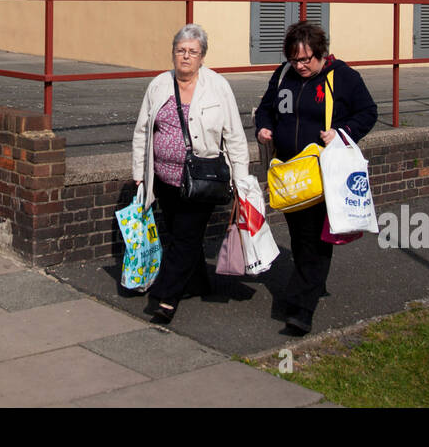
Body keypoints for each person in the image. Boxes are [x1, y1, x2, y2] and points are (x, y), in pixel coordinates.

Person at [254, 20, 377, 335]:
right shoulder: (283, 75)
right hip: (290, 174)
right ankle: (306, 288)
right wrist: (264, 127)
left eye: (306, 59)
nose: (300, 65)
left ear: (321, 53)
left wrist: (342, 132)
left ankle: (301, 309)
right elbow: (267, 108)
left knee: (317, 240)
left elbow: (368, 112)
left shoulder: (344, 78)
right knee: (299, 237)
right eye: (294, 59)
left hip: (325, 173)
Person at [131, 23, 252, 323]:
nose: (186, 56)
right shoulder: (159, 84)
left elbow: (234, 134)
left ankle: (166, 299)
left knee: (184, 237)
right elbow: (142, 130)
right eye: (181, 50)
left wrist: (242, 178)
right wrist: (139, 172)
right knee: (178, 233)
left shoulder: (218, 86)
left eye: (192, 52)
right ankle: (198, 283)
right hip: (165, 178)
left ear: (202, 56)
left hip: (202, 179)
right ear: (173, 54)